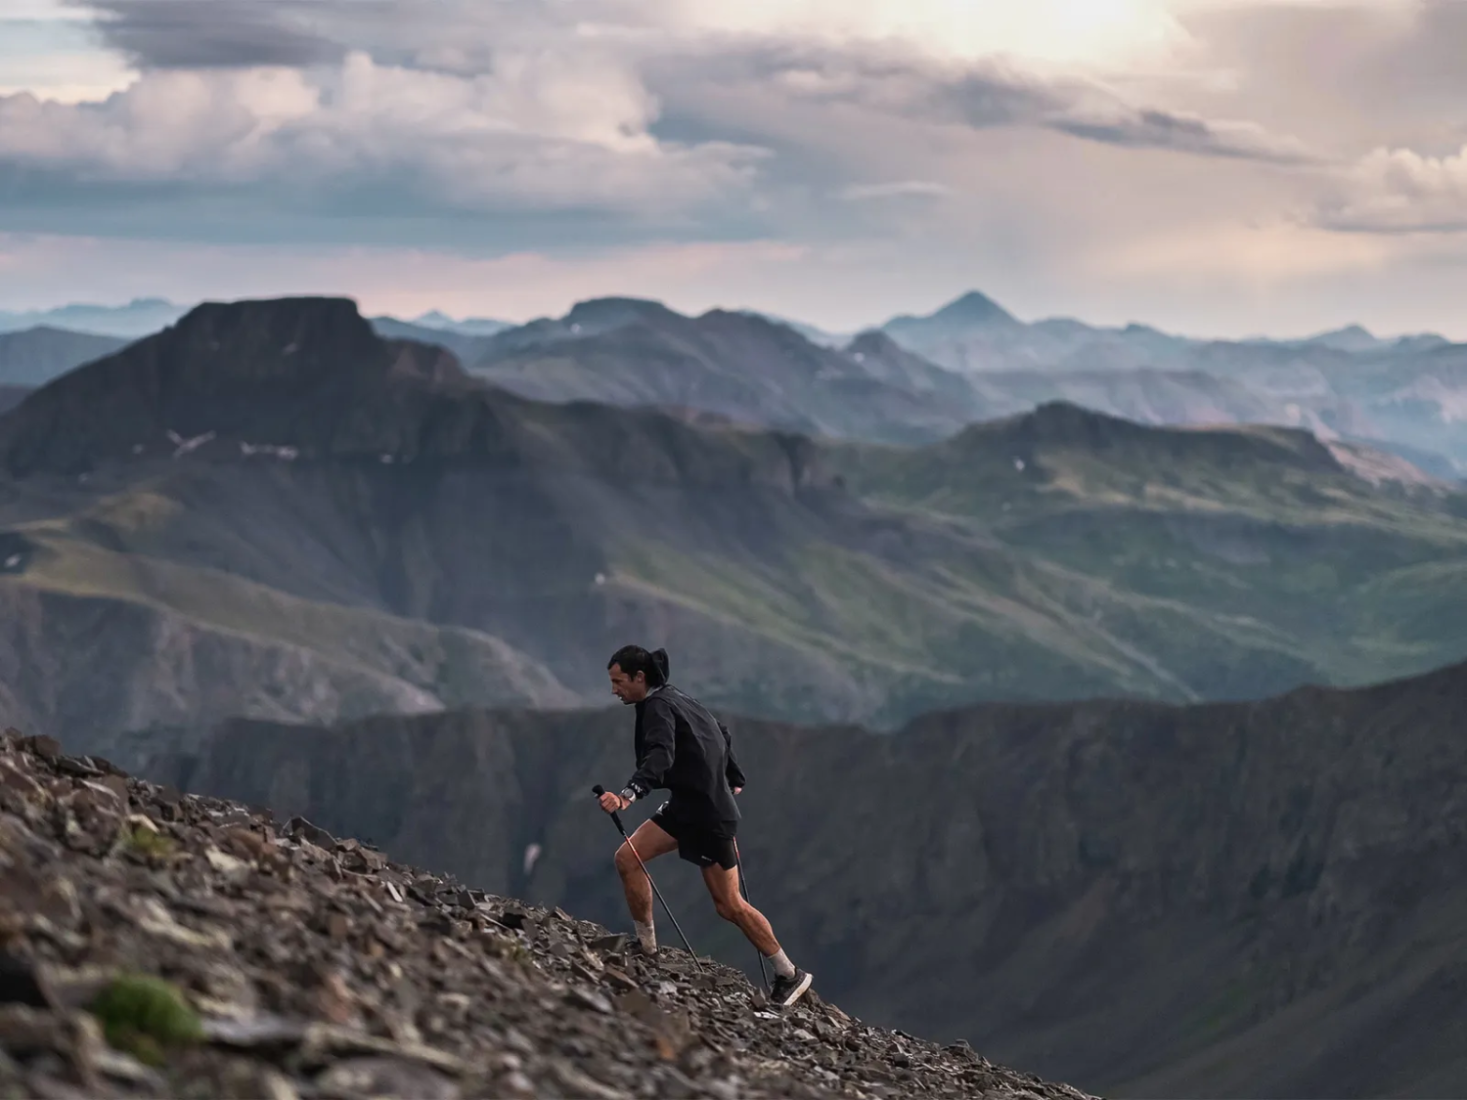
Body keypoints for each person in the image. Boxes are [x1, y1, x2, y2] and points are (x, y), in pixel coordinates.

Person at [599, 644, 813, 1009]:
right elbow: (720, 731)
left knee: (729, 905)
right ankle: (647, 947)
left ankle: (789, 973)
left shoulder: (657, 707)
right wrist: (734, 775)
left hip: (708, 816)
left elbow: (661, 754)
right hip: (686, 807)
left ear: (639, 677)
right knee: (628, 858)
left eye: (618, 682)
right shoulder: (674, 696)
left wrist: (627, 796)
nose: (614, 690)